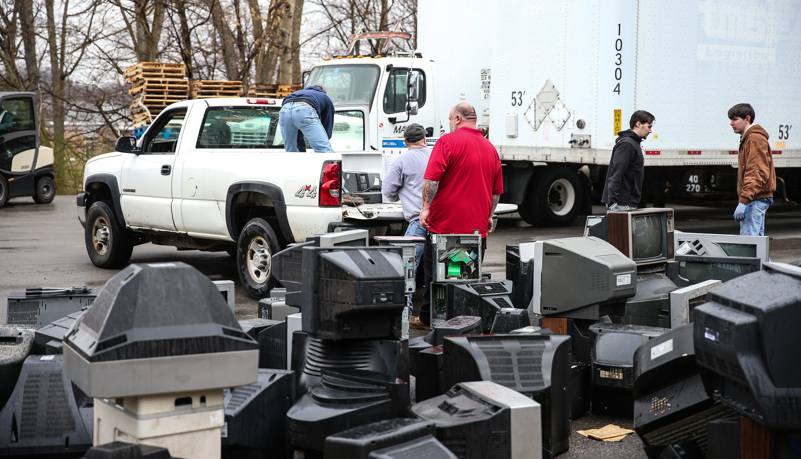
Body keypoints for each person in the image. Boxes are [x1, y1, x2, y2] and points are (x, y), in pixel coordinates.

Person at [411, 103, 503, 329]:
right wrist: (488, 216)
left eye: (450, 119)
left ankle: (436, 325)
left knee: (439, 281)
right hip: (474, 231)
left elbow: (431, 180)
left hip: (445, 228)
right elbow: (495, 192)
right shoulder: (490, 148)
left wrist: (425, 208)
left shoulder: (447, 142)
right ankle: (460, 324)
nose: (450, 124)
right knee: (463, 280)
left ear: (458, 119)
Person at [382, 123, 430, 314]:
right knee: (440, 270)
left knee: (405, 270)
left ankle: (404, 315)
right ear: (425, 139)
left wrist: (400, 194)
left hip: (418, 223)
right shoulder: (436, 156)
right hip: (442, 222)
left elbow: (388, 192)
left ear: (405, 142)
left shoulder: (401, 161)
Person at [728, 103, 776, 236]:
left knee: (750, 245)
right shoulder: (750, 138)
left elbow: (756, 173)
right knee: (757, 247)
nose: (731, 123)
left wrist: (744, 201)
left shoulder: (754, 139)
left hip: (754, 199)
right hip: (755, 198)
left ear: (747, 119)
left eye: (735, 119)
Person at [601, 110, 655, 211]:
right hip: (622, 204)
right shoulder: (628, 145)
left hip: (625, 202)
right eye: (649, 126)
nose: (650, 130)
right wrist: (613, 204)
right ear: (638, 124)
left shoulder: (633, 143)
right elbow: (616, 174)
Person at [279, 84, 335, 152]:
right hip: (305, 108)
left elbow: (297, 128)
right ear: (323, 91)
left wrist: (302, 150)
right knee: (323, 149)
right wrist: (324, 139)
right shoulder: (324, 97)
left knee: (291, 151)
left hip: (284, 110)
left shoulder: (297, 93)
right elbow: (327, 123)